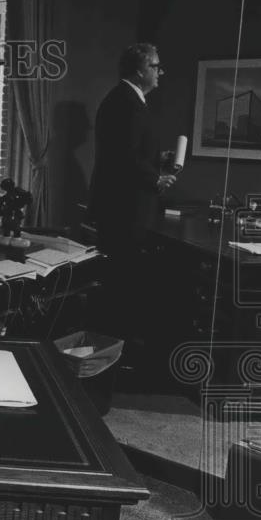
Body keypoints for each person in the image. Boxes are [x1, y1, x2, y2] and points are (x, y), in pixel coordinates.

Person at [88, 43, 176, 350]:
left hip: (121, 206)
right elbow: (123, 158)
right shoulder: (126, 102)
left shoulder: (125, 99)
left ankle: (113, 344)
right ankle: (115, 348)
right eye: (155, 66)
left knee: (121, 278)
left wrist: (157, 159)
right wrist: (156, 178)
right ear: (139, 70)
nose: (159, 72)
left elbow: (129, 151)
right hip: (124, 209)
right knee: (121, 280)